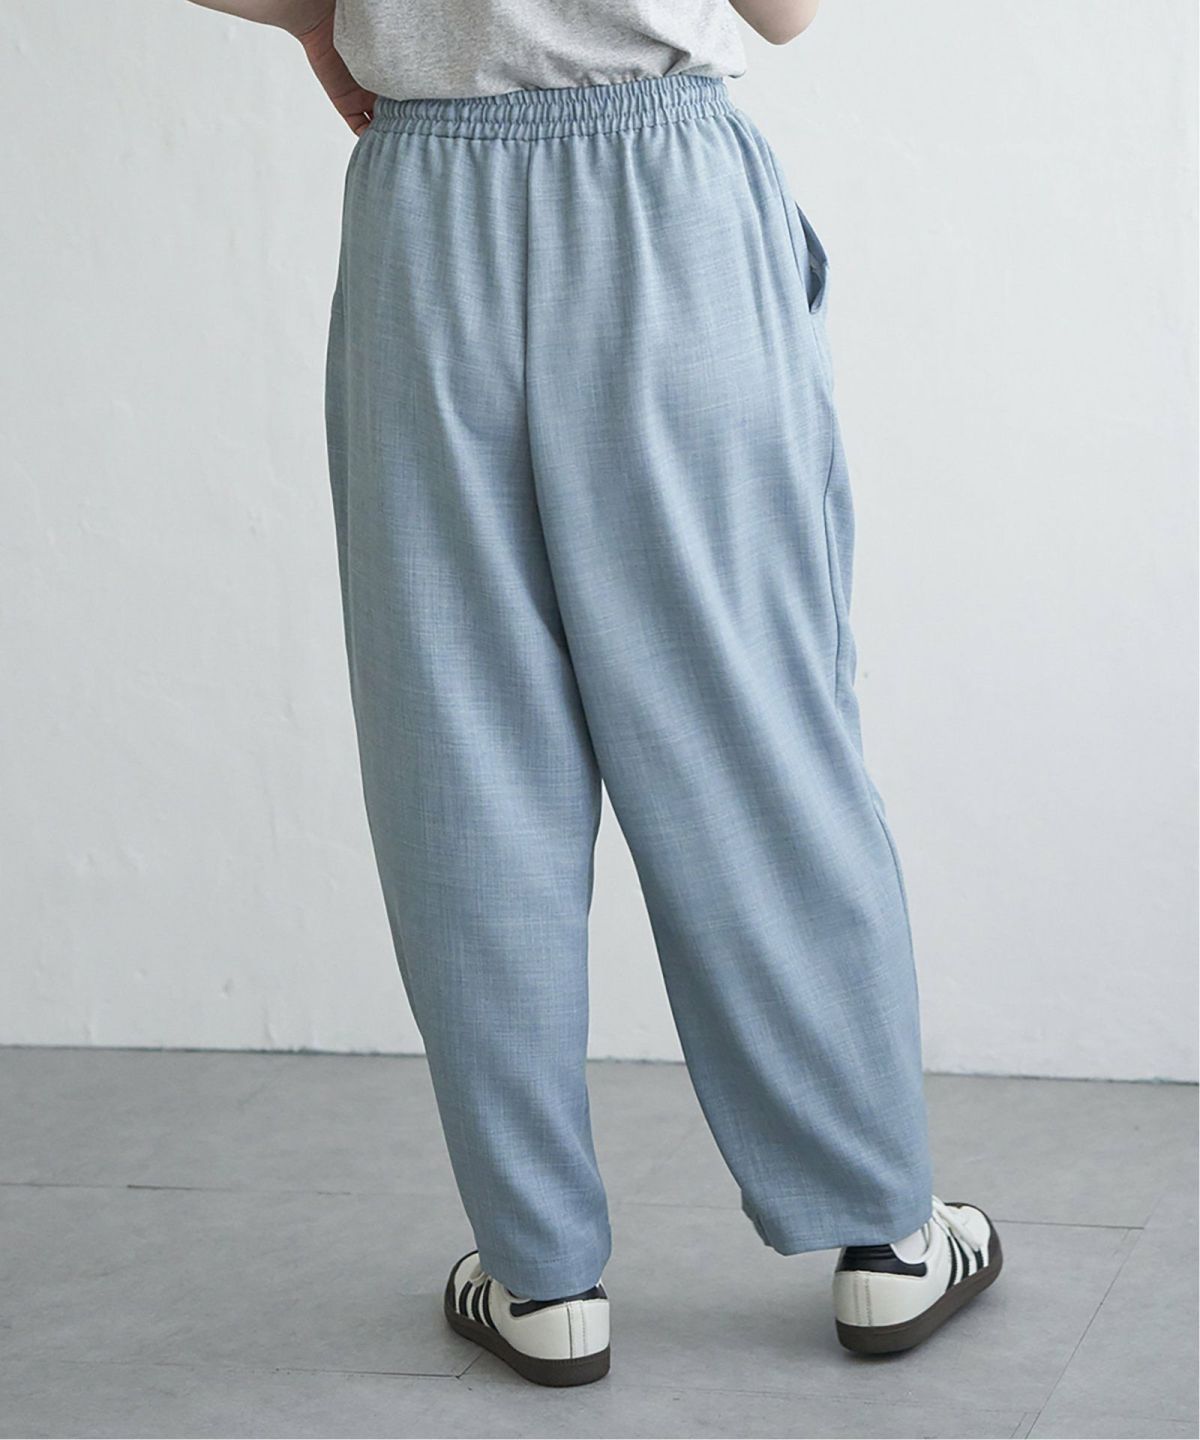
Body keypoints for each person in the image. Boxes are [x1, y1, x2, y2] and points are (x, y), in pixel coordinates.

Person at [186, 0, 1002, 1387]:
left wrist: (328, 25)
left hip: (425, 211)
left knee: (461, 755)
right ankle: (883, 1235)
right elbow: (786, 12)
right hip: (660, 202)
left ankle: (539, 1272)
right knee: (751, 739)